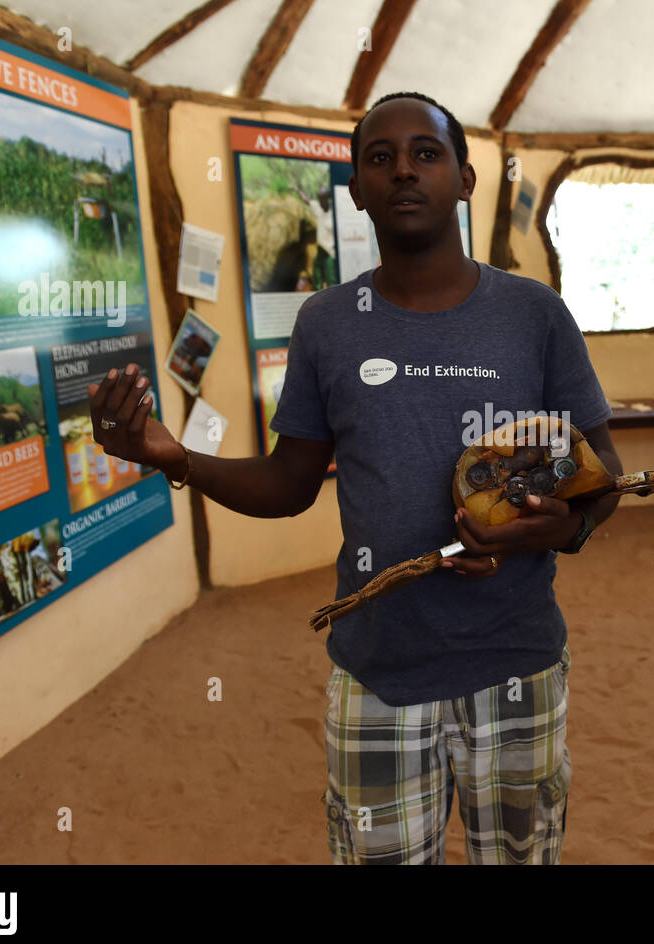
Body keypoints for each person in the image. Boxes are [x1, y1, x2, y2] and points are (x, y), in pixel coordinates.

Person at [87, 91, 622, 865]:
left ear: (465, 179)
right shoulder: (328, 323)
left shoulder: (534, 315)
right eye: (381, 157)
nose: (404, 169)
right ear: (357, 188)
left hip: (515, 662)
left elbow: (602, 476)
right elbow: (289, 481)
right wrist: (179, 461)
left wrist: (563, 528)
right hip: (377, 666)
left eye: (426, 153)